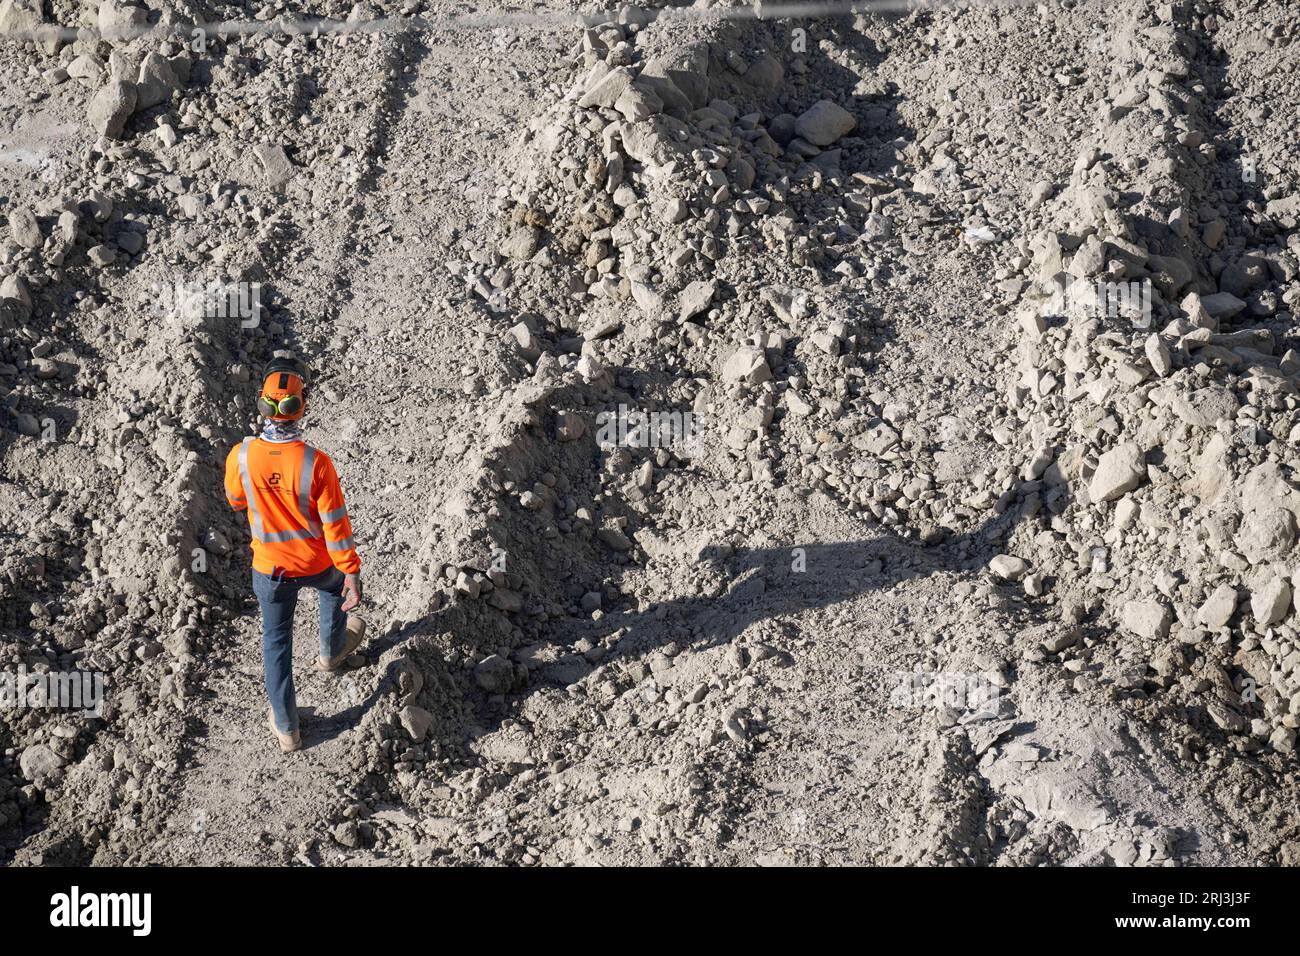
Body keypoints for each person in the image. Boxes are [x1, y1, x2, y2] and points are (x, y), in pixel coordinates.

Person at [224, 354, 366, 753]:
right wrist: (351, 573)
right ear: (300, 408)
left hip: (270, 569)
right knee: (334, 585)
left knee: (276, 642)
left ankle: (287, 729)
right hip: (317, 562)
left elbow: (236, 501)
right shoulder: (317, 463)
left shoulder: (241, 455)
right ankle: (331, 652)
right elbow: (336, 526)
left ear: (262, 405)